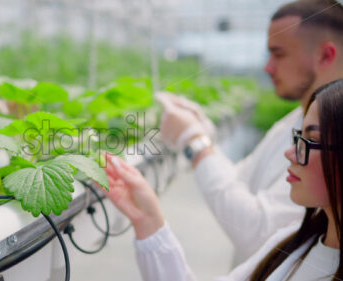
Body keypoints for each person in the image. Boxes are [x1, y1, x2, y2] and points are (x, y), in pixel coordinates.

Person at [156, 0, 343, 262]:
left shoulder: (326, 145)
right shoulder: (293, 120)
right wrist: (202, 130)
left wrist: (195, 142)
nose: (268, 68)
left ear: (325, 55)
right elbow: (240, 179)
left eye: (279, 54)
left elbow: (258, 234)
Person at [105, 79, 343, 281]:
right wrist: (148, 220)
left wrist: (194, 140)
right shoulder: (296, 241)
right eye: (297, 137)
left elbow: (252, 225)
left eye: (310, 140)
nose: (290, 153)